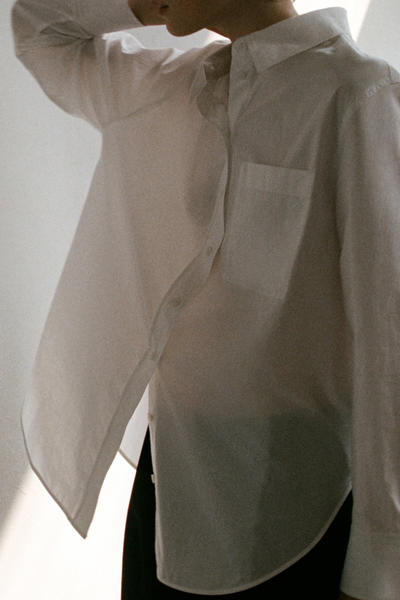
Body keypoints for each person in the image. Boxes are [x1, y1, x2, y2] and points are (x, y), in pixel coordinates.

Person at [11, 1, 400, 599]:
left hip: (290, 503)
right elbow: (39, 28)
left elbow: (389, 344)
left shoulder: (357, 95)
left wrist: (379, 569)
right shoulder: (168, 87)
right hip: (169, 484)